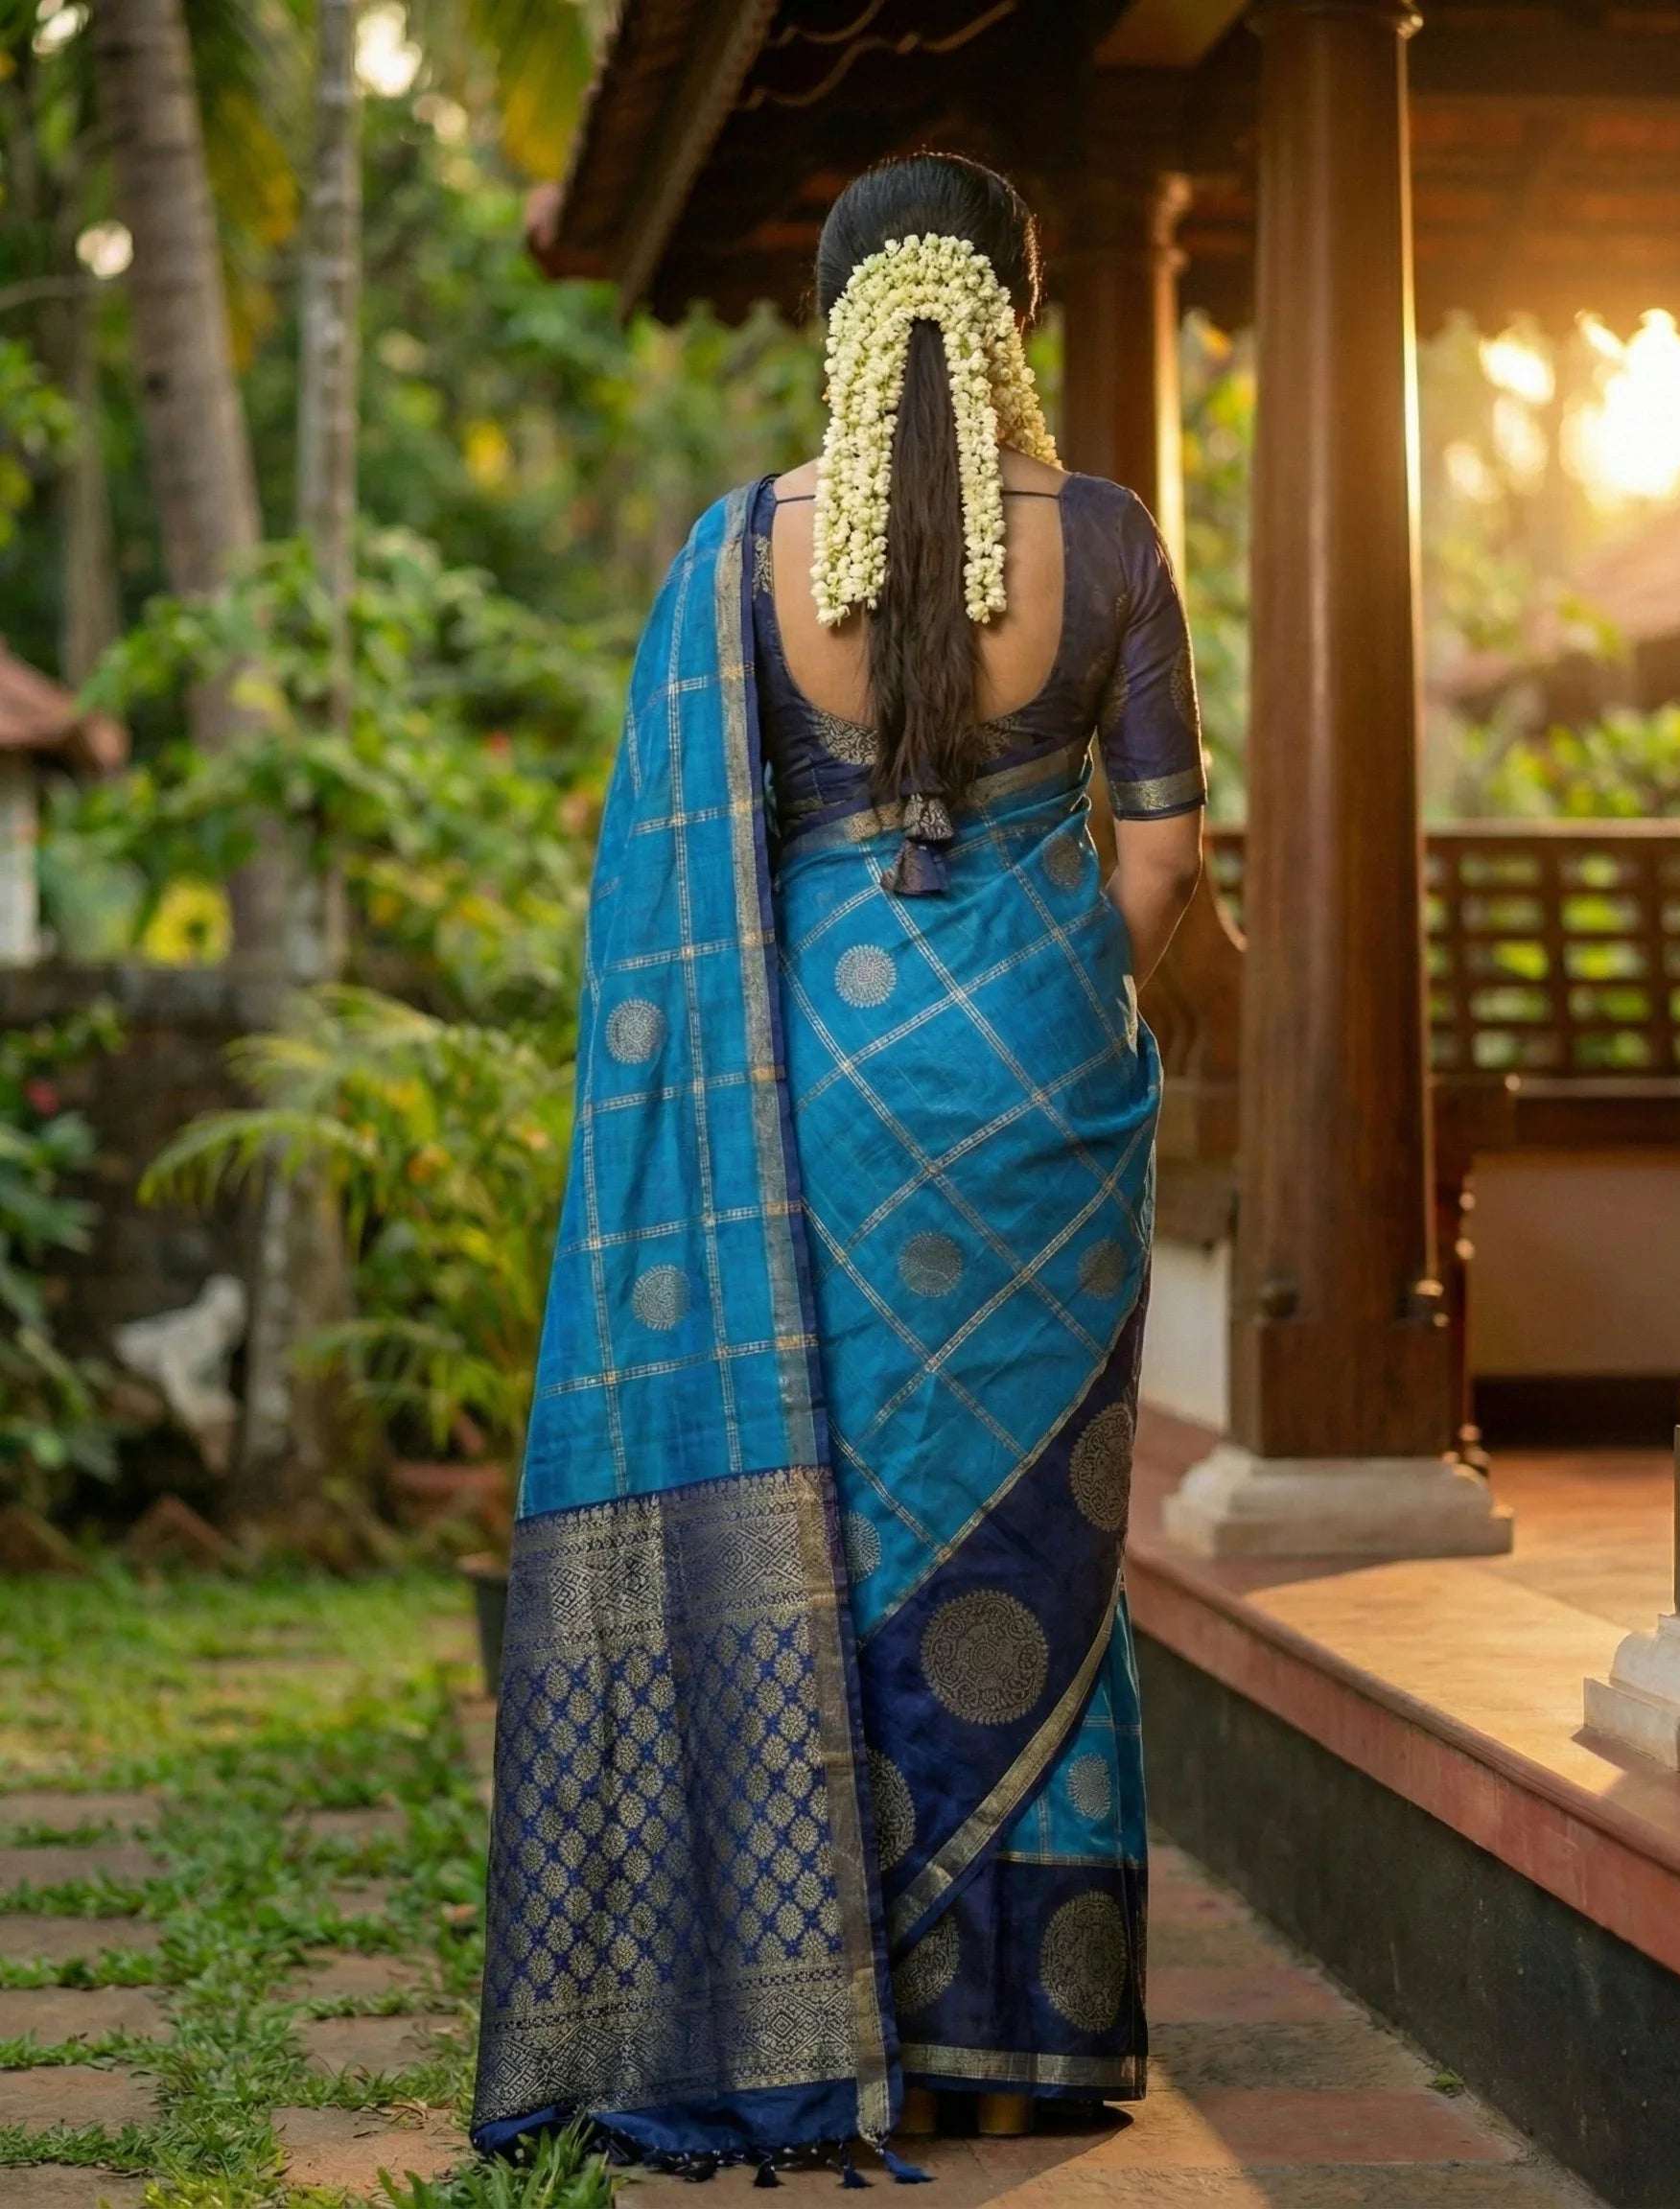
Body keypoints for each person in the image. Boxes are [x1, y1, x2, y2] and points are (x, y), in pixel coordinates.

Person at [472, 151, 1206, 2187]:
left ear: (832, 327)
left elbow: (679, 884)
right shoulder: (1110, 543)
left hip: (817, 1083)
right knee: (1041, 1536)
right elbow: (1161, 861)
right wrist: (1051, 1004)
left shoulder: (741, 555)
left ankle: (825, 2007)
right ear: (1020, 315)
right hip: (1041, 1085)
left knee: (840, 1522)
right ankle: (1014, 2043)